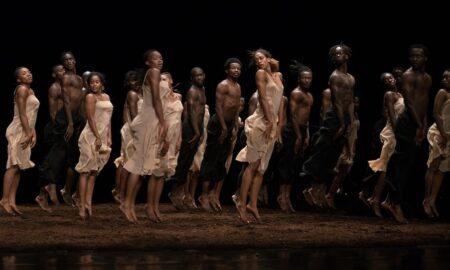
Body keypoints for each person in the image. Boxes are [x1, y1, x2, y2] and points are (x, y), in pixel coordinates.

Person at [302, 44, 355, 208]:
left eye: (340, 53)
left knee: (333, 156)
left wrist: (350, 122)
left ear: (347, 56)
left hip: (345, 118)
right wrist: (341, 123)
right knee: (324, 151)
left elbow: (350, 101)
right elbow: (337, 102)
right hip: (335, 118)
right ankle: (311, 187)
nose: (337, 56)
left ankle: (316, 189)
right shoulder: (335, 76)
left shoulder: (351, 78)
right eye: (334, 54)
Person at [235, 49, 284, 223]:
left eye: (261, 58)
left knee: (262, 168)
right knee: (253, 164)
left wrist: (279, 125)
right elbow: (263, 98)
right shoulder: (260, 74)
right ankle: (241, 202)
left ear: (269, 58)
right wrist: (270, 120)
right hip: (261, 122)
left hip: (272, 124)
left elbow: (280, 103)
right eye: (256, 60)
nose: (259, 62)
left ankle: (252, 204)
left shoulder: (278, 75)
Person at [384, 44, 431, 223]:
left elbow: (424, 103)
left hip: (418, 123)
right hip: (407, 123)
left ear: (425, 58)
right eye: (412, 56)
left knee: (408, 165)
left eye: (419, 56)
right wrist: (418, 125)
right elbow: (410, 103)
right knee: (403, 166)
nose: (415, 59)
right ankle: (395, 203)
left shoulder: (428, 78)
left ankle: (392, 200)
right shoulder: (407, 76)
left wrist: (424, 125)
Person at [122, 49, 168, 223]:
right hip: (148, 120)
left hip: (152, 120)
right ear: (148, 62)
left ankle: (130, 204)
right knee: (139, 165)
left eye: (161, 57)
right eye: (156, 58)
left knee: (144, 169)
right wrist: (163, 122)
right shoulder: (154, 72)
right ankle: (126, 204)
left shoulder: (156, 74)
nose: (160, 60)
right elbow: (156, 98)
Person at [37, 51, 85, 210]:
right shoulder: (65, 78)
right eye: (66, 60)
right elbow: (65, 100)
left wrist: (80, 121)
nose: (69, 62)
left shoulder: (79, 79)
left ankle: (64, 189)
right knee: (56, 155)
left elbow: (80, 101)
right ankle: (44, 192)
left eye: (71, 58)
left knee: (72, 156)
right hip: (65, 118)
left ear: (75, 60)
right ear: (63, 64)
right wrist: (69, 123)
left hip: (75, 119)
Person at [197, 58, 242, 212]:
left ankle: (213, 195)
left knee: (222, 161)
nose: (236, 70)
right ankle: (203, 195)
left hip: (229, 125)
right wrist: (223, 127)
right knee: (211, 159)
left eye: (238, 68)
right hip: (218, 124)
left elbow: (236, 108)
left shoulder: (238, 87)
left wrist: (235, 126)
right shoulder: (223, 85)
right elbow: (218, 106)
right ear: (227, 70)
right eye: (233, 68)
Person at [362, 73, 404, 218]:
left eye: (390, 77)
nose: (389, 80)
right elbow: (391, 116)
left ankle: (378, 198)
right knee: (386, 168)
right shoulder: (389, 95)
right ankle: (375, 199)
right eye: (385, 80)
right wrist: (398, 133)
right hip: (392, 132)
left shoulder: (401, 94)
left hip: (399, 131)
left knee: (389, 168)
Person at [1, 67, 40, 215]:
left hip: (27, 130)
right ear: (18, 79)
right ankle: (4, 199)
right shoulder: (22, 89)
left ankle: (12, 201)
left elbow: (32, 115)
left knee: (19, 167)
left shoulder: (31, 91)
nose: (28, 74)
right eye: (24, 73)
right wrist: (28, 133)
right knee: (13, 165)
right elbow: (22, 114)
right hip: (18, 130)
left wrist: (33, 133)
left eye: (29, 72)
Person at [275, 61, 313, 212]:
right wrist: (298, 136)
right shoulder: (296, 93)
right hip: (293, 131)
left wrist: (307, 135)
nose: (307, 80)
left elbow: (307, 118)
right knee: (287, 164)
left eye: (309, 78)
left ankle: (287, 196)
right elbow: (293, 115)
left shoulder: (310, 96)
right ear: (299, 79)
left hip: (302, 131)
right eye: (304, 78)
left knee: (294, 166)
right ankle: (281, 196)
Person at [75, 72, 113, 220]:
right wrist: (97, 136)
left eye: (97, 82)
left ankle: (88, 204)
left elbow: (108, 119)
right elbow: (90, 118)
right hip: (90, 136)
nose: (94, 85)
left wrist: (108, 136)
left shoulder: (107, 97)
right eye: (92, 83)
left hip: (102, 136)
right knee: (85, 171)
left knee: (94, 172)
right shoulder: (90, 97)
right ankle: (81, 204)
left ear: (101, 83)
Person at [167, 67, 206, 210]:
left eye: (201, 75)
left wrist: (200, 131)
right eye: (196, 76)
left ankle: (178, 194)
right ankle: (175, 193)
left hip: (196, 129)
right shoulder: (192, 91)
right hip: (190, 129)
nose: (199, 78)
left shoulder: (202, 90)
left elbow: (201, 113)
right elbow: (191, 113)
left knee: (188, 162)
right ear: (192, 78)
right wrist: (196, 131)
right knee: (183, 163)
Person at [35, 65, 65, 211]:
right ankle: (44, 192)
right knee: (49, 161)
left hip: (65, 127)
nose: (63, 71)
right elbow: (53, 112)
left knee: (57, 161)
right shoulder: (54, 87)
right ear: (54, 74)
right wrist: (57, 129)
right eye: (59, 70)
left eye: (63, 70)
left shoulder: (68, 86)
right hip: (55, 127)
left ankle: (46, 191)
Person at [112, 71, 142, 205]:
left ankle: (121, 192)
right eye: (131, 81)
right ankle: (121, 193)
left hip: (136, 129)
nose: (134, 83)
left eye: (136, 80)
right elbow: (133, 115)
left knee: (130, 162)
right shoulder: (132, 94)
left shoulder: (141, 94)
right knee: (127, 163)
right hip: (133, 130)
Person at [423, 69, 450, 218]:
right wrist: (443, 133)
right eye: (443, 77)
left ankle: (433, 200)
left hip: (449, 136)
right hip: (439, 133)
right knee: (433, 166)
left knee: (442, 169)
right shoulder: (442, 92)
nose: (444, 79)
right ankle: (426, 199)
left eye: (448, 77)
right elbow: (436, 113)